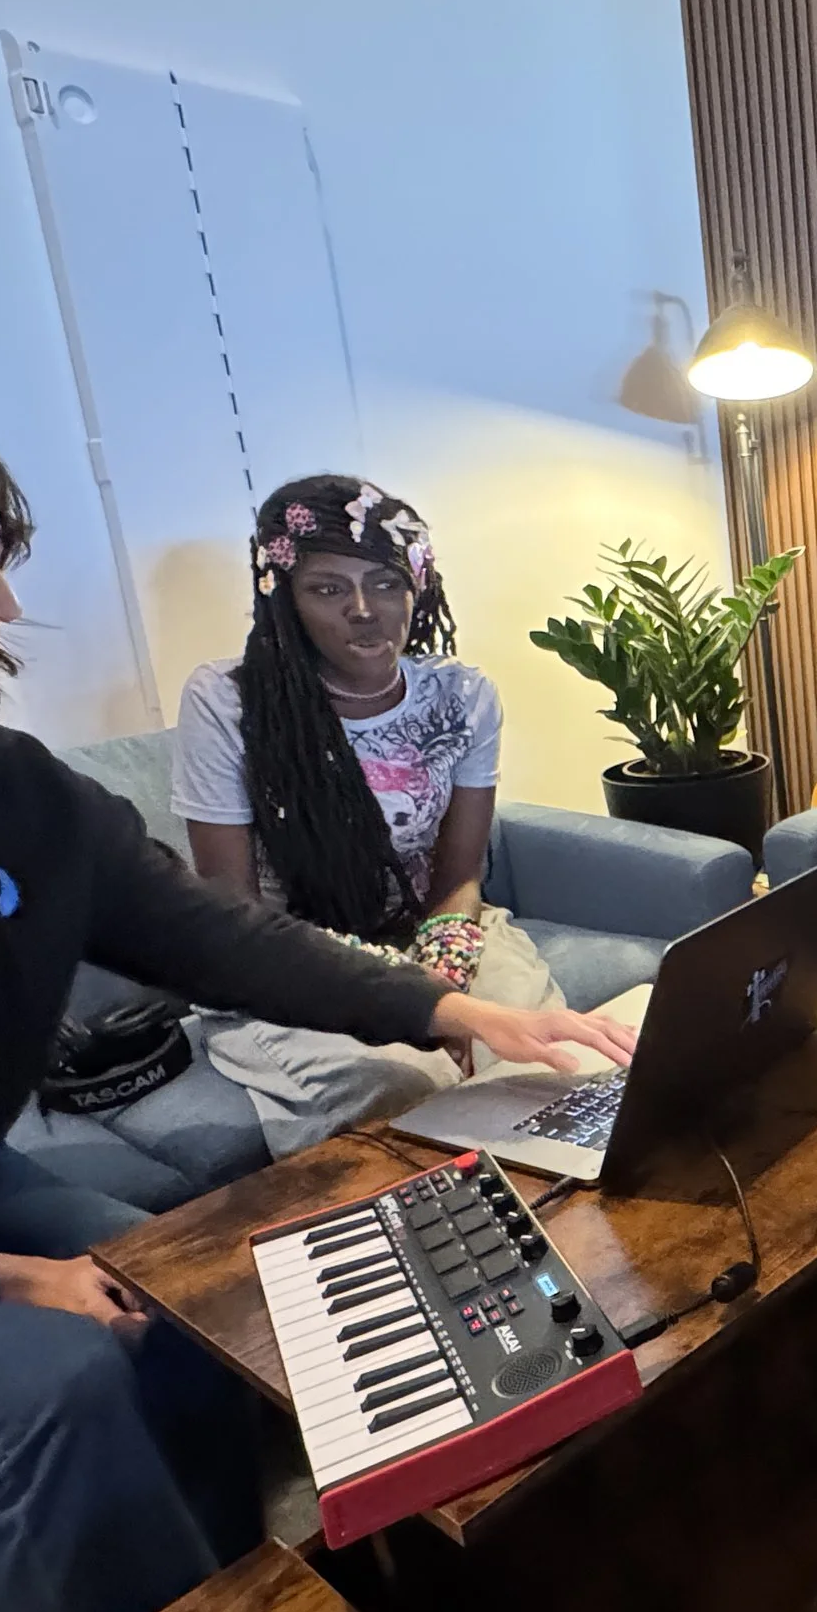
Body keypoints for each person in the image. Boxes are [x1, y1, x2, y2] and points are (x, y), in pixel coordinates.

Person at [0, 381, 632, 1612]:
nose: (2, 606)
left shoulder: (2, 796)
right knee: (54, 1389)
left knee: (201, 1285)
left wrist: (458, 1006)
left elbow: (210, 932)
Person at [170, 475, 561, 1159]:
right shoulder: (226, 703)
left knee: (541, 1061)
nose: (363, 609)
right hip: (279, 966)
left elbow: (459, 876)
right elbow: (234, 911)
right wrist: (412, 1006)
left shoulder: (461, 696)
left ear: (417, 586)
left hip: (436, 932)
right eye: (327, 588)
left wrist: (443, 982)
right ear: (282, 597)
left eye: (384, 582)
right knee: (415, 1081)